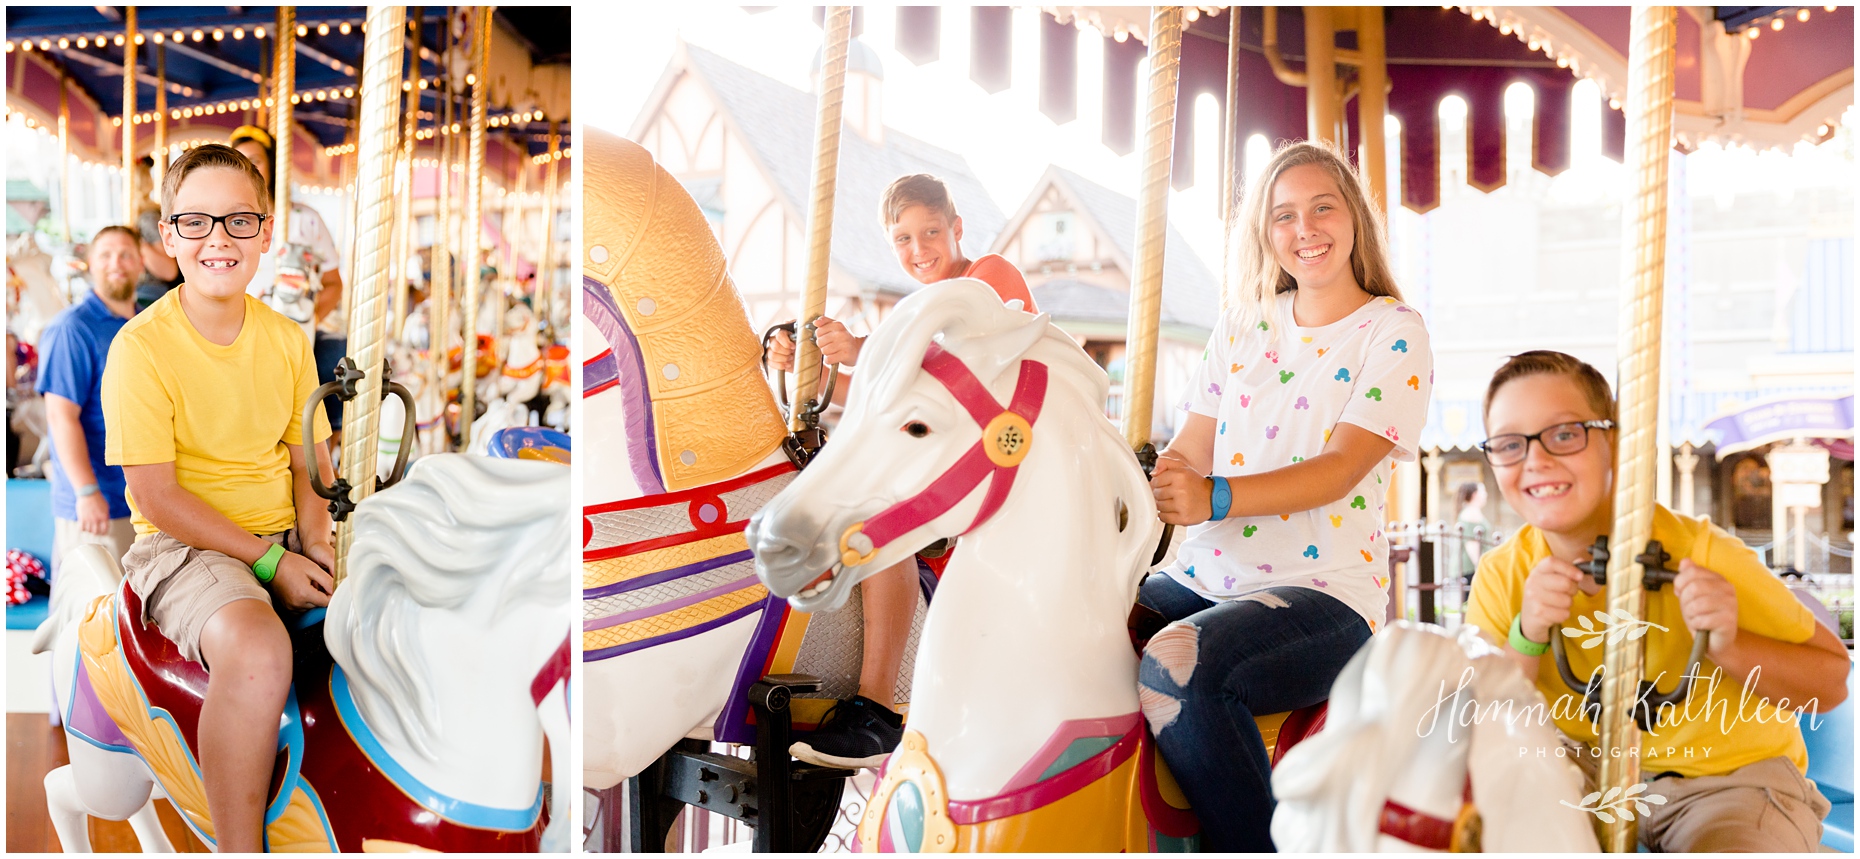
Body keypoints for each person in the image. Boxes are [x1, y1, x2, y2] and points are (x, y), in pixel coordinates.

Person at [1138, 140, 1433, 851]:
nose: (1306, 229)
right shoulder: (1243, 322)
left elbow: (1339, 468)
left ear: (1354, 216)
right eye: (1284, 215)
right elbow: (1192, 446)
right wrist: (1159, 481)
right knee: (1079, 623)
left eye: (1322, 207)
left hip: (1321, 592)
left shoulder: (1392, 331)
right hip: (1202, 574)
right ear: (1264, 234)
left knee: (1181, 669)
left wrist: (1210, 496)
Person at [1464, 350, 1846, 852]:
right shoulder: (1502, 574)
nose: (1536, 459)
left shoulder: (1703, 554)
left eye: (1564, 434)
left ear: (1618, 446)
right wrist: (1527, 634)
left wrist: (1728, 644)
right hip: (1580, 779)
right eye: (1509, 444)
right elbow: (1483, 722)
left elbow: (1830, 684)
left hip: (1726, 779)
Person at [102, 144, 334, 852]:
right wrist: (270, 563)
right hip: (184, 545)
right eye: (196, 222)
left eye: (238, 221)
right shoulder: (141, 348)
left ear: (267, 235)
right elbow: (156, 493)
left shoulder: (289, 342)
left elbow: (310, 464)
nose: (218, 240)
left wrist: (319, 546)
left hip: (282, 536)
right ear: (166, 238)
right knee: (260, 646)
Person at [768, 173, 1036, 769]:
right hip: (951, 463)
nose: (919, 250)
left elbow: (961, 364)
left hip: (1010, 457)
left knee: (881, 519)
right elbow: (873, 395)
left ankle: (878, 707)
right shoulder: (913, 312)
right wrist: (806, 370)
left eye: (931, 232)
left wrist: (865, 347)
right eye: (903, 239)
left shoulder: (987, 276)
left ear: (957, 228)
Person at [228, 125, 348, 443]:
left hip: (294, 325)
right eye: (238, 161)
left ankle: (328, 450)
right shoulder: (225, 223)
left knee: (338, 358)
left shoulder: (305, 220)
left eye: (255, 160)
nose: (247, 169)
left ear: (273, 164)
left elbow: (334, 283)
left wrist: (309, 322)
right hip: (242, 326)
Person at [38, 225, 143, 574]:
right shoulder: (73, 328)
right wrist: (85, 491)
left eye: (126, 254)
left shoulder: (146, 322)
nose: (118, 263)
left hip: (142, 497)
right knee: (89, 608)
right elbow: (60, 416)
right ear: (90, 264)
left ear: (141, 263)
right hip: (98, 498)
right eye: (106, 255)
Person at [133, 155, 184, 311]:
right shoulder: (142, 216)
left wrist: (136, 241)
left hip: (150, 294)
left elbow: (168, 270)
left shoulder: (147, 218)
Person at [1455, 480, 1490, 580]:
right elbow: (1472, 545)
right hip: (1469, 570)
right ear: (1475, 495)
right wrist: (1480, 568)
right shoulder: (1471, 514)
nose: (1486, 494)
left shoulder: (1472, 511)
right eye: (1483, 491)